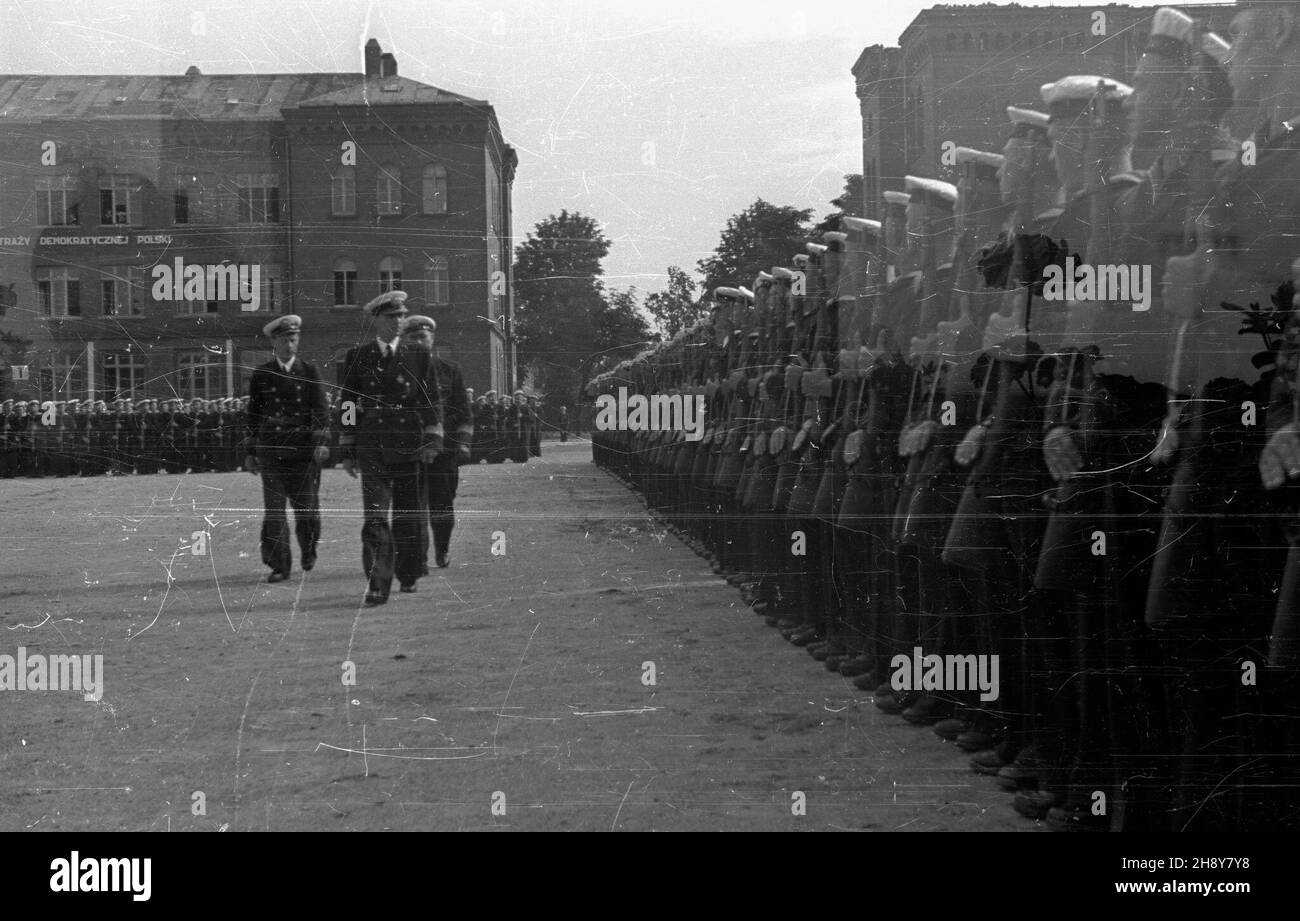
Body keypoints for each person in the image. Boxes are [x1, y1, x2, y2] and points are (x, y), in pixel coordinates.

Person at [337, 290, 445, 605]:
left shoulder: (418, 355)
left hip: (410, 444)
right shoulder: (358, 356)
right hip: (373, 444)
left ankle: (408, 573)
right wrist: (347, 447)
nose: (398, 322)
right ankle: (377, 582)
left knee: (407, 517)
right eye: (391, 317)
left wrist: (433, 439)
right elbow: (347, 403)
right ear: (376, 321)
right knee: (374, 517)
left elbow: (432, 399)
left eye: (401, 316)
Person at [244, 314, 331, 582]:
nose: (289, 345)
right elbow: (253, 415)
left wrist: (321, 444)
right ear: (274, 342)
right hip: (271, 451)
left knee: (307, 510)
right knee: (274, 511)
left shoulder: (309, 371)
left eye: (293, 340)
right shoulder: (262, 374)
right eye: (283, 340)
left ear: (298, 340)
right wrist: (250, 452)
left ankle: (308, 549)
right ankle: (279, 565)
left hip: (302, 453)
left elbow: (320, 410)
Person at [399, 315, 473, 570]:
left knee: (442, 504)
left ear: (432, 339)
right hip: (410, 447)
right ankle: (418, 556)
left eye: (423, 337)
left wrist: (463, 442)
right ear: (404, 340)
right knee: (412, 505)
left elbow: (464, 410)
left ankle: (442, 549)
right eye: (412, 338)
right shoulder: (397, 370)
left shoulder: (450, 370)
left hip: (445, 450)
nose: (418, 342)